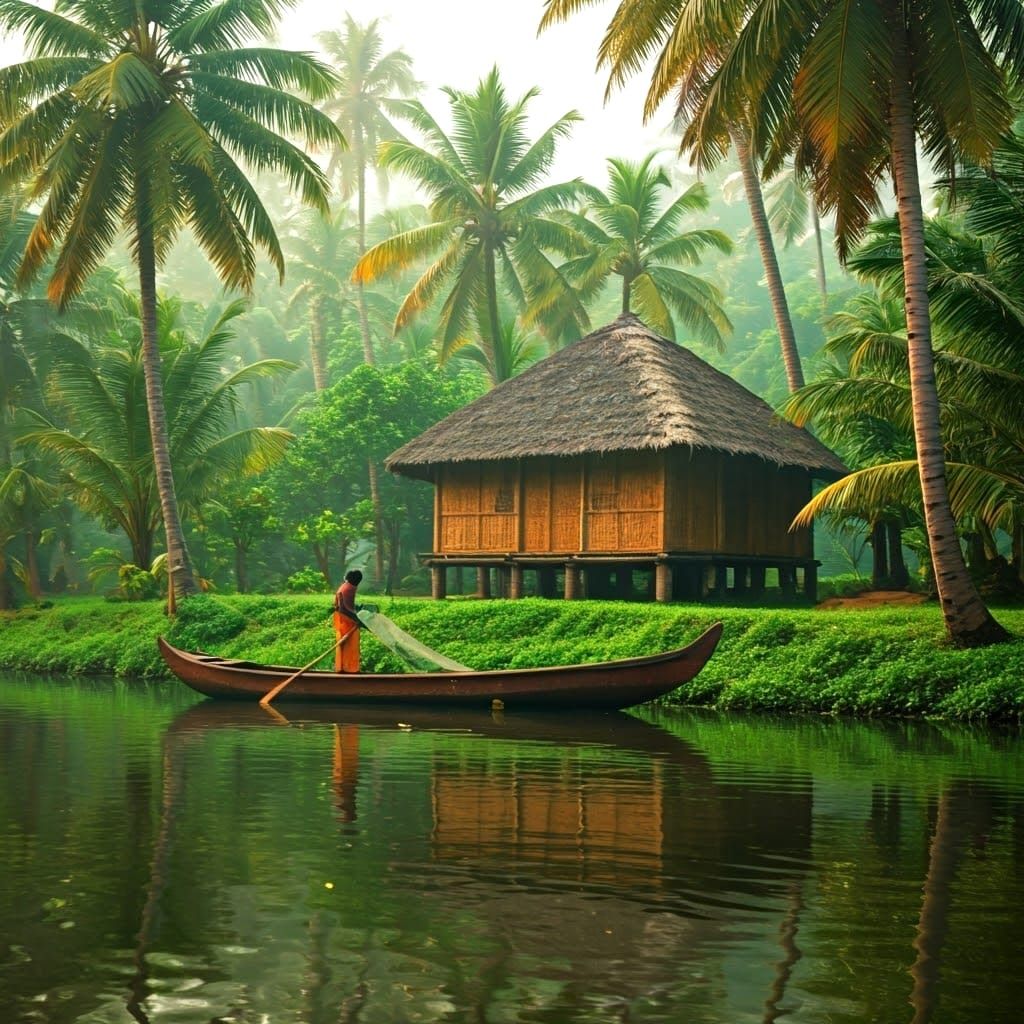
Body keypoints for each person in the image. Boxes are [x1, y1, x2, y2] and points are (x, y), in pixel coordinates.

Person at [333, 570, 363, 673]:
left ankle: (343, 668)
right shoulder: (349, 588)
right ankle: (349, 669)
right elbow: (344, 608)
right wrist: (356, 618)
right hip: (346, 621)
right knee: (350, 645)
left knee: (344, 645)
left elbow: (347, 606)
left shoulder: (345, 586)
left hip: (343, 620)